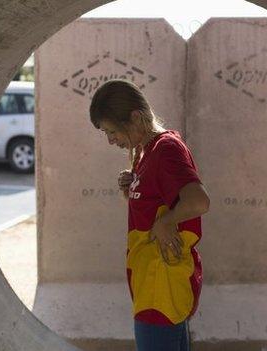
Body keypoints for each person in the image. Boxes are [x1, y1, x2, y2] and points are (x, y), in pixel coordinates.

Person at [89, 80, 210, 351]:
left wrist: (167, 221)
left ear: (135, 117)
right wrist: (132, 184)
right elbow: (156, 203)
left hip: (160, 290)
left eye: (112, 131)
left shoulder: (166, 148)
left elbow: (199, 201)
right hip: (153, 285)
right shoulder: (145, 153)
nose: (111, 140)